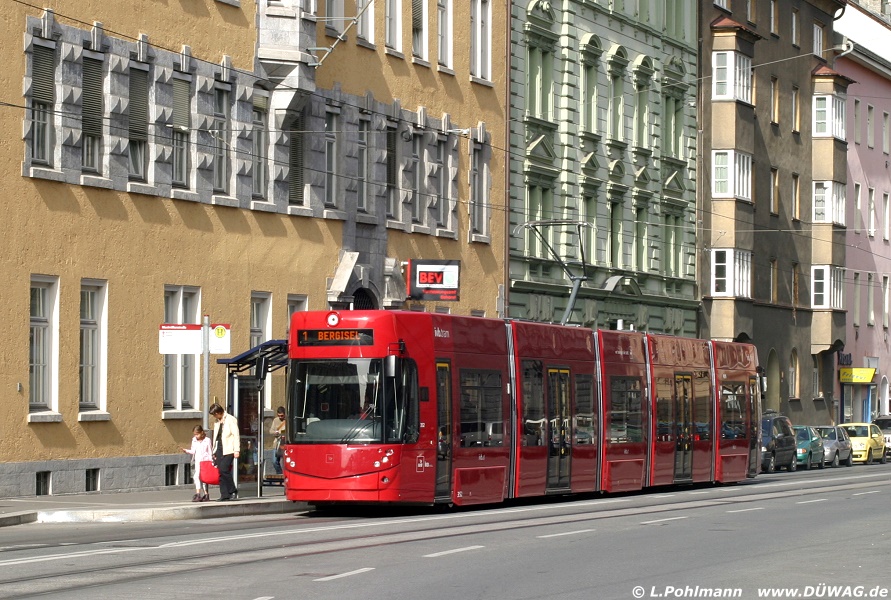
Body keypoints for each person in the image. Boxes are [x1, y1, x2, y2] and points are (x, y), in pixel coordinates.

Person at [209, 402, 240, 501]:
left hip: (229, 448)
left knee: (224, 469)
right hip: (219, 448)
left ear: (218, 412)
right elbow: (216, 437)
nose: (214, 417)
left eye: (214, 414)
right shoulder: (217, 422)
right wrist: (214, 451)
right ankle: (224, 494)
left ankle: (232, 489)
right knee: (220, 472)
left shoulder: (231, 419)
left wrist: (237, 450)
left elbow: (236, 435)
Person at [182, 425, 212, 502]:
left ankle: (206, 494)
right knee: (196, 476)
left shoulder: (207, 440)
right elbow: (193, 451)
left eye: (197, 434)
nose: (196, 436)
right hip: (198, 461)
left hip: (205, 461)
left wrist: (211, 461)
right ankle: (198, 494)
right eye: (195, 434)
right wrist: (186, 451)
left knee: (204, 478)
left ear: (201, 432)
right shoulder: (194, 440)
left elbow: (209, 451)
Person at [269, 406, 286, 474]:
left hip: (285, 443)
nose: (280, 417)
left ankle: (284, 475)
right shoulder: (275, 420)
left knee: (285, 462)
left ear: (284, 414)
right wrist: (275, 432)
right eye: (279, 416)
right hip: (277, 444)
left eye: (282, 416)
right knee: (274, 461)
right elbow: (271, 431)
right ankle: (280, 473)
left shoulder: (287, 420)